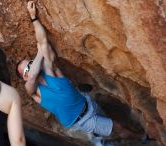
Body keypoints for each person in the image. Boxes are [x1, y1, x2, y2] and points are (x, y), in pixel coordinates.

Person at [17, 1, 113, 146]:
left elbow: (43, 41)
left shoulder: (49, 69)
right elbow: (32, 77)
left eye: (30, 63)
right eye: (27, 69)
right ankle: (139, 137)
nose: (31, 67)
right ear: (24, 76)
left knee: (108, 128)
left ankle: (104, 139)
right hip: (83, 120)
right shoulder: (32, 90)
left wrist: (33, 17)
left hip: (87, 103)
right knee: (116, 129)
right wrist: (39, 53)